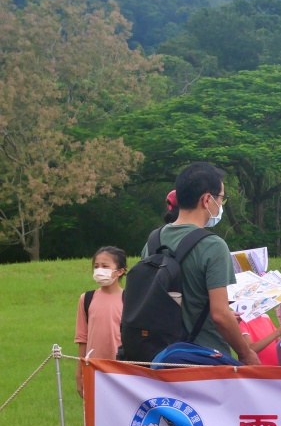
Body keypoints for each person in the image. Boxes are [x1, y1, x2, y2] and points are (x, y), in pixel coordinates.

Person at [142, 162, 259, 365]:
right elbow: (220, 315)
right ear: (207, 199)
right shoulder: (213, 245)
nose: (221, 204)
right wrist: (246, 354)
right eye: (221, 198)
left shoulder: (153, 241)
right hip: (203, 360)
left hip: (160, 358)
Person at [75, 246, 127, 397]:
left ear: (120, 271)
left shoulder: (130, 300)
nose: (99, 271)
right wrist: (79, 372)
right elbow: (82, 338)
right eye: (96, 266)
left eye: (105, 266)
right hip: (93, 369)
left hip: (122, 370)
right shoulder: (86, 299)